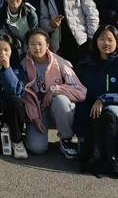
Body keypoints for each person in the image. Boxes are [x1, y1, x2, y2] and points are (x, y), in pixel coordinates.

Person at [74, 25, 118, 178]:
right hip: (91, 111)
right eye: (101, 39)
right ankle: (88, 150)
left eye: (110, 39)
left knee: (110, 112)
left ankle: (114, 155)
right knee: (83, 109)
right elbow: (79, 91)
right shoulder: (86, 65)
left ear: (117, 42)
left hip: (117, 111)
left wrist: (104, 100)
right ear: (95, 41)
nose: (105, 43)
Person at [22, 29, 86, 158]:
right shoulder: (24, 64)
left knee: (61, 100)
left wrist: (55, 90)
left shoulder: (60, 62)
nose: (37, 48)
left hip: (58, 108)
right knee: (37, 148)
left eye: (40, 44)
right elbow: (25, 95)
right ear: (27, 46)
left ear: (48, 45)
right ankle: (30, 134)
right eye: (32, 44)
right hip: (39, 110)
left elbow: (81, 91)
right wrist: (34, 117)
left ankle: (66, 139)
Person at [40, 0, 99, 66]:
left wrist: (91, 37)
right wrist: (50, 25)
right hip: (60, 45)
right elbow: (43, 19)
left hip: (82, 42)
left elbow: (92, 14)